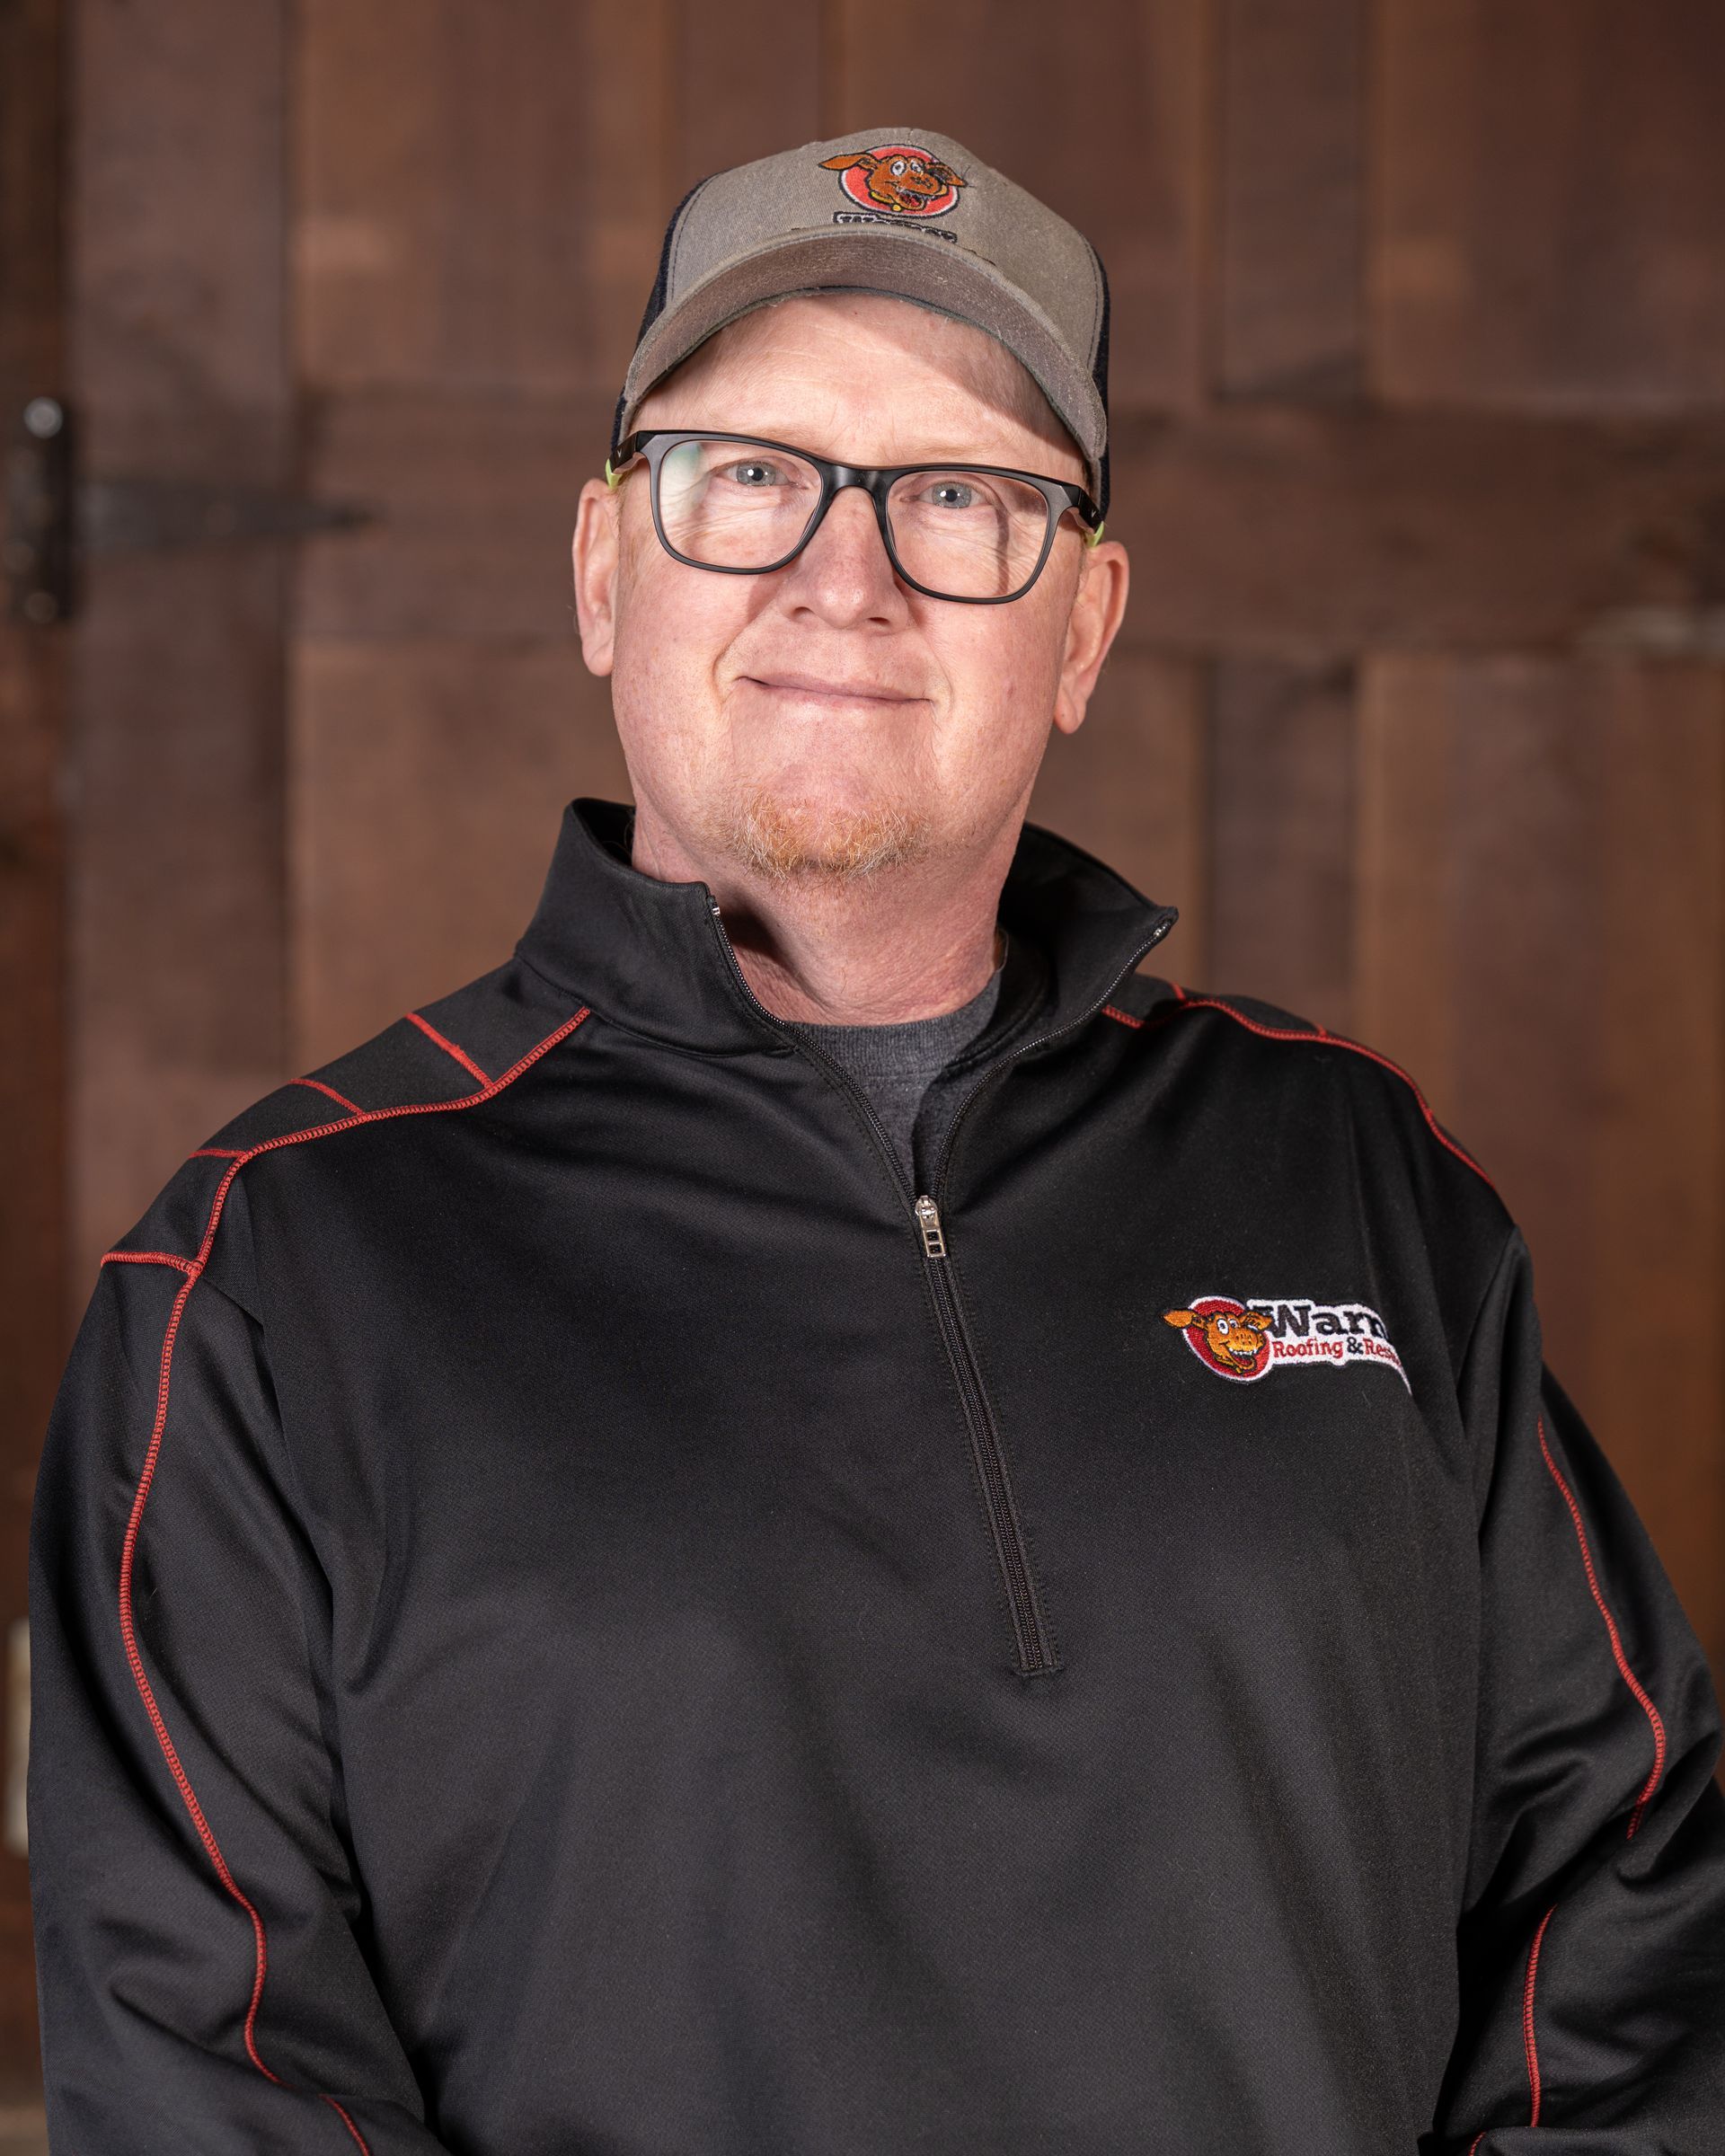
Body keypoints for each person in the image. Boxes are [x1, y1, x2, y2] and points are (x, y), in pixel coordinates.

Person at [28, 128, 1725, 2155]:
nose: (847, 576)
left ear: (1084, 625)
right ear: (602, 570)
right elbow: (211, 2084)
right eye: (747, 477)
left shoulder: (1362, 1181)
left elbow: (1637, 1884)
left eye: (958, 494)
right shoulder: (262, 1281)